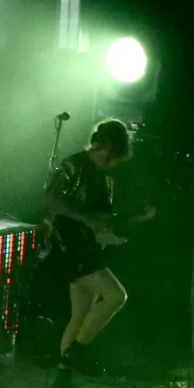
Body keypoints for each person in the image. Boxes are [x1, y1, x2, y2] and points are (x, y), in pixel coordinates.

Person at [40, 118, 155, 374]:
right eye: (110, 157)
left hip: (85, 248)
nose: (111, 164)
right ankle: (77, 352)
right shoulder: (72, 166)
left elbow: (101, 221)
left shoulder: (105, 179)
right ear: (101, 147)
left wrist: (137, 219)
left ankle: (64, 376)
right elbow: (50, 200)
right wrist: (87, 221)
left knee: (80, 314)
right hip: (67, 246)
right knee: (116, 295)